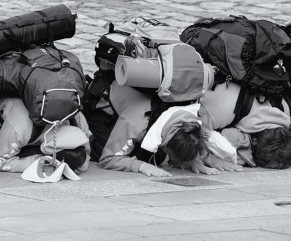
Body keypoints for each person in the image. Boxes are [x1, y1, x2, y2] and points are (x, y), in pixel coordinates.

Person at [84, 75, 213, 177]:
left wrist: (190, 160)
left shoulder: (188, 117)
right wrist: (142, 167)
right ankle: (92, 143)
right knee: (143, 157)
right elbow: (108, 158)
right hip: (100, 107)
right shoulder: (137, 122)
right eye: (172, 156)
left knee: (155, 155)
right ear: (166, 144)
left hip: (137, 106)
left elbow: (186, 138)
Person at [198, 81, 291, 170]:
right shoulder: (222, 111)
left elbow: (279, 144)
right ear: (254, 142)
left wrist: (283, 156)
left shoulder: (283, 109)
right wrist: (209, 158)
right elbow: (188, 127)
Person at [0, 97, 91, 174]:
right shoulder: (21, 127)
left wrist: (82, 163)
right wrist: (39, 163)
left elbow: (87, 150)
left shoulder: (77, 118)